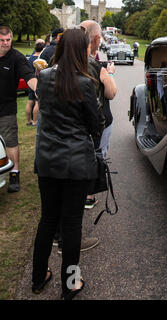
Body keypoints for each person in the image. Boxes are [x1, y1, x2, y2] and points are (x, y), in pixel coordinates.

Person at [32, 28, 99, 300]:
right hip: (75, 161)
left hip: (48, 158)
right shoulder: (85, 82)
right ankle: (70, 284)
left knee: (47, 219)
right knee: (71, 224)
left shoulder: (44, 76)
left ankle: (38, 278)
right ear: (81, 50)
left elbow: (46, 114)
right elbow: (94, 124)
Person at [81, 20, 117, 210]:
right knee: (96, 155)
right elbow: (110, 93)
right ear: (96, 38)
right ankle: (88, 194)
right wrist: (109, 74)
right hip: (98, 120)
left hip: (74, 122)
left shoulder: (63, 61)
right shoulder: (95, 66)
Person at [0, 25, 37, 193]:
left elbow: (29, 76)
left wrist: (39, 89)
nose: (6, 43)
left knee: (10, 141)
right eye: (2, 40)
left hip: (6, 109)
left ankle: (15, 172)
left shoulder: (17, 57)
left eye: (8, 40)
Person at [25, 40, 45, 126]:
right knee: (37, 102)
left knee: (30, 101)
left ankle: (28, 120)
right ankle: (35, 121)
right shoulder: (40, 59)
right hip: (37, 81)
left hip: (30, 81)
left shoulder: (30, 58)